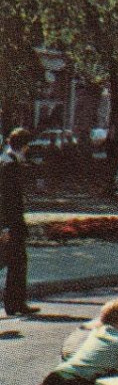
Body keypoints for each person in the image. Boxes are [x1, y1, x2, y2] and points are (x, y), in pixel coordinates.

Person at [1, 129, 37, 317]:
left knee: (16, 262)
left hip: (11, 224)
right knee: (18, 263)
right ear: (24, 146)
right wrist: (5, 227)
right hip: (11, 225)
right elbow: (5, 199)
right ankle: (15, 303)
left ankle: (14, 303)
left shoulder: (6, 161)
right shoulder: (9, 165)